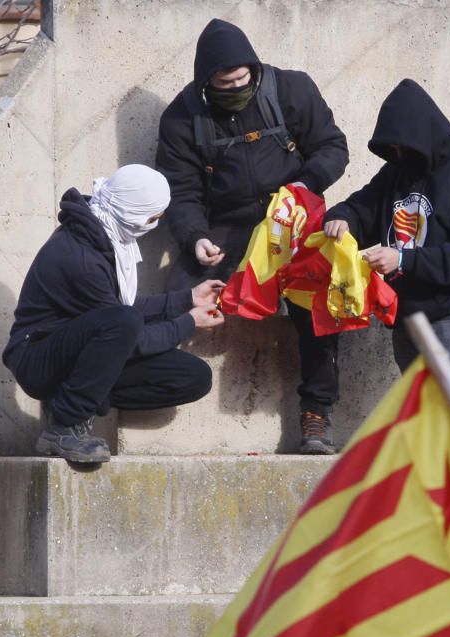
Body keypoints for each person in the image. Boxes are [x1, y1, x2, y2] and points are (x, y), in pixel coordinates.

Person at [156, 18, 349, 454]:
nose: (236, 87)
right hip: (228, 227)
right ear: (206, 82)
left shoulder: (293, 89)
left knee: (320, 299)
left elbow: (333, 147)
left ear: (254, 69)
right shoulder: (182, 117)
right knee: (176, 294)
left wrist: (305, 185)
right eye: (226, 84)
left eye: (243, 79)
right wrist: (195, 238)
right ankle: (146, 389)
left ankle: (317, 413)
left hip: (294, 217)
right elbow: (180, 191)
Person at [2, 164, 225, 464]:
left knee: (192, 377)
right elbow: (127, 330)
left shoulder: (105, 236)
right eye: (152, 218)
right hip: (38, 358)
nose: (153, 225)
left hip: (83, 351)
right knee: (123, 323)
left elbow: (122, 309)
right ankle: (65, 426)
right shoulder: (81, 258)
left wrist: (188, 299)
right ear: (132, 213)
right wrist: (189, 322)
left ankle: (73, 396)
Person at [323, 79, 450, 402]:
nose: (398, 155)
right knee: (422, 422)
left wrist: (403, 259)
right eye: (392, 150)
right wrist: (341, 219)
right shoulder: (397, 172)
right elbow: (363, 207)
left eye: (403, 148)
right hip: (408, 319)